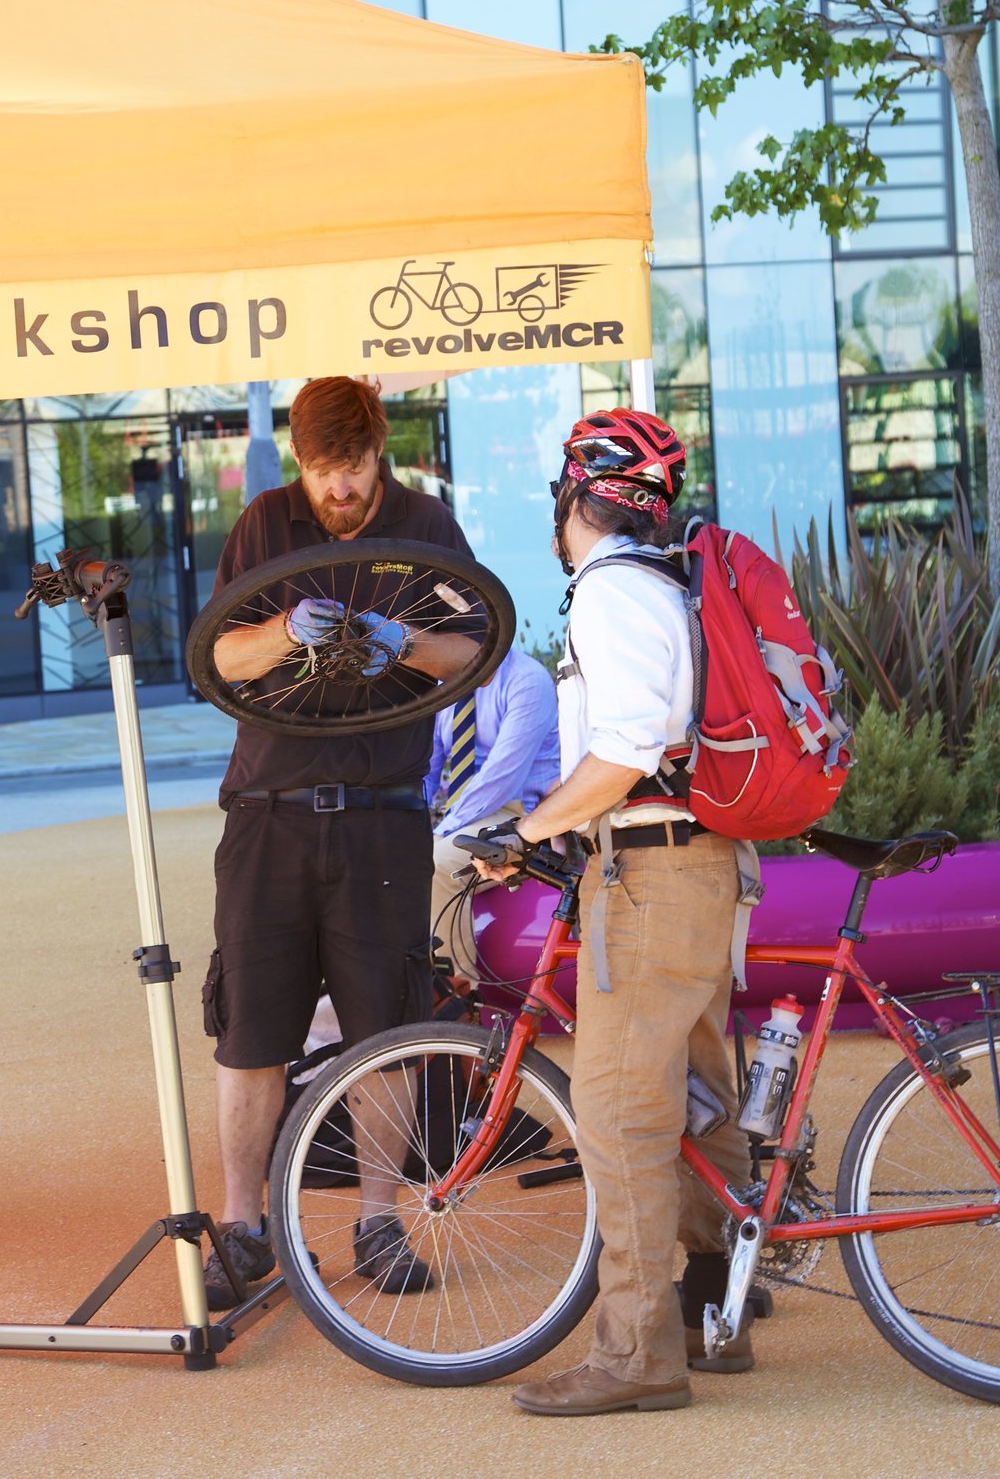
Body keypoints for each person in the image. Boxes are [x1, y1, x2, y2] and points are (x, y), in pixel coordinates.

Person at [475, 408, 759, 1417]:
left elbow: (634, 740)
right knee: (692, 1096)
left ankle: (639, 1350)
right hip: (698, 865)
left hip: (649, 877)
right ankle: (713, 1313)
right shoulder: (667, 582)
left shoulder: (608, 588)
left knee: (619, 1116)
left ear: (569, 497)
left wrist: (536, 823)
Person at [197, 376, 481, 1308]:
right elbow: (217, 659)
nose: (339, 492)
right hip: (267, 814)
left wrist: (400, 638)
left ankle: (377, 1221)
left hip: (383, 813)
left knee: (385, 1029)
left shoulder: (424, 526)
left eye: (352, 469)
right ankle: (244, 1231)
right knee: (251, 1034)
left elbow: (474, 652)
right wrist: (281, 629)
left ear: (378, 451)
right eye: (322, 472)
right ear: (298, 457)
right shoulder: (265, 524)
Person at [421, 644, 560, 983]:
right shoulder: (447, 685)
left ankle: (457, 997)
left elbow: (500, 779)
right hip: (465, 810)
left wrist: (440, 833)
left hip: (523, 815)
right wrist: (407, 819)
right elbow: (425, 768)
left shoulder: (527, 680)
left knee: (437, 862)